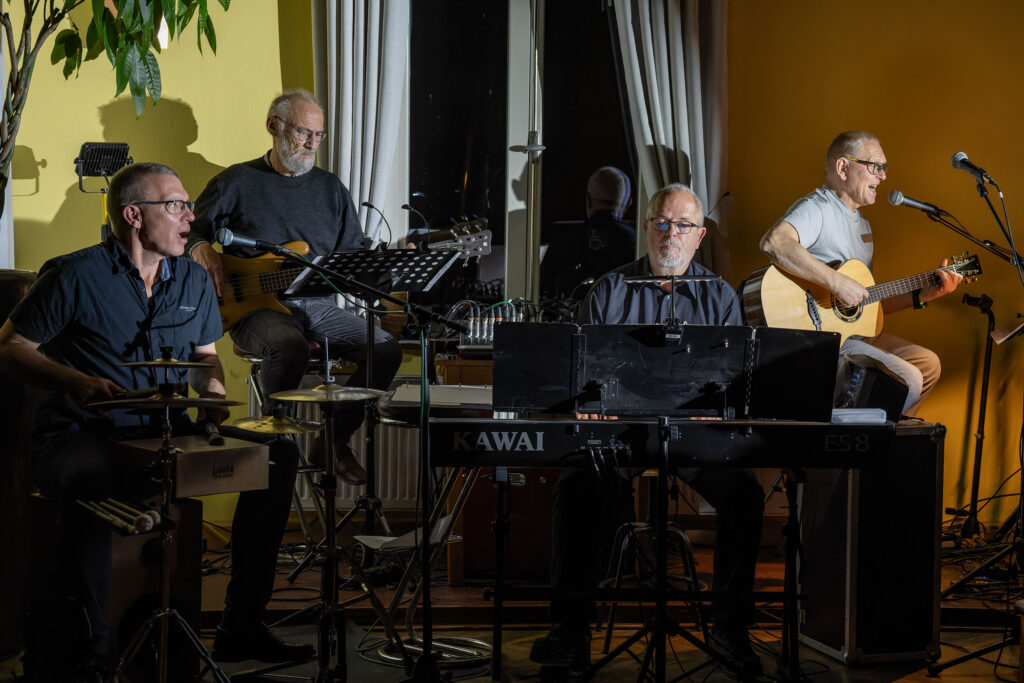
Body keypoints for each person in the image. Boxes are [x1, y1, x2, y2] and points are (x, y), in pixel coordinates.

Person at [0, 163, 312, 681]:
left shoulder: (193, 277)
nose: (190, 216)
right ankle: (93, 655)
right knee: (91, 478)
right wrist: (77, 381)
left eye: (188, 205)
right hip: (82, 433)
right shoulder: (73, 275)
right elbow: (11, 348)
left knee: (277, 455)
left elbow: (205, 357)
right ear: (133, 215)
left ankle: (241, 625)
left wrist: (213, 395)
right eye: (175, 205)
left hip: (167, 431)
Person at [530, 184, 765, 678]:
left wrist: (717, 411)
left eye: (682, 225)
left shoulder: (719, 295)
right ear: (645, 227)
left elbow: (734, 383)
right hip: (622, 435)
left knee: (744, 493)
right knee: (575, 486)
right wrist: (591, 406)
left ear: (699, 236)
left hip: (693, 437)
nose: (670, 233)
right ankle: (571, 631)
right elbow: (581, 375)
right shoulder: (609, 289)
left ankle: (729, 627)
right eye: (661, 222)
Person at [186, 89, 402, 485]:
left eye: (318, 135)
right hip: (253, 307)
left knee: (386, 348)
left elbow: (351, 257)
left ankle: (334, 441)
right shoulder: (237, 181)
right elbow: (188, 230)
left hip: (316, 305)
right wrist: (200, 248)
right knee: (291, 346)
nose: (312, 144)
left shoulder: (331, 189)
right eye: (303, 133)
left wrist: (387, 270)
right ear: (274, 126)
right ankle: (276, 443)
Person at [759, 130, 962, 416]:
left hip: (853, 334)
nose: (883, 176)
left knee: (928, 364)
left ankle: (879, 433)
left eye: (884, 168)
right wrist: (836, 282)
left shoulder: (863, 226)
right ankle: (864, 439)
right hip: (819, 339)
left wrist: (919, 296)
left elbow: (863, 305)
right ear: (843, 168)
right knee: (909, 378)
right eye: (875, 166)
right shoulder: (818, 207)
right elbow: (774, 242)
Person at [540, 166, 637, 300]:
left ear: (588, 200)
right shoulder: (637, 241)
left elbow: (542, 289)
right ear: (627, 204)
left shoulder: (563, 240)